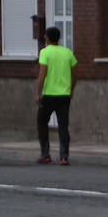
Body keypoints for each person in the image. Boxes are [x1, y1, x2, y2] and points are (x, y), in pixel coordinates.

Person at [35, 26, 77, 164]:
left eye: (45, 36)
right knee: (63, 125)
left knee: (41, 122)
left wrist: (37, 93)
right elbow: (75, 74)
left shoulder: (45, 52)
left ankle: (45, 154)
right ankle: (64, 156)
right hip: (64, 95)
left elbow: (42, 74)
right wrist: (71, 90)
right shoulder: (68, 52)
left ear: (47, 38)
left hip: (48, 94)